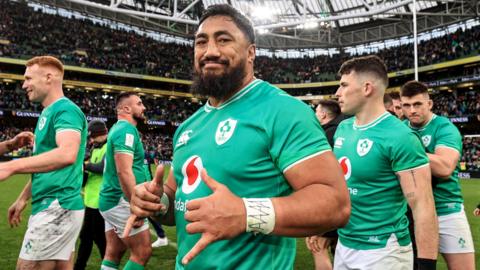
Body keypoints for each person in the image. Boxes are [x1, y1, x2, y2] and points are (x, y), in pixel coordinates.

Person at [127, 4, 350, 270]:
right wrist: (157, 202)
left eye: (224, 40)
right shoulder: (189, 126)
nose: (210, 51)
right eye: (201, 42)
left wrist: (247, 214)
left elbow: (335, 204)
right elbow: (176, 200)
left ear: (251, 52)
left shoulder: (284, 111)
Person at [333, 55, 438, 270]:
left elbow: (423, 206)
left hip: (383, 251)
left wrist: (427, 266)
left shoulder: (400, 136)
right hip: (344, 244)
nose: (337, 93)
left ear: (367, 88)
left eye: (344, 85)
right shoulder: (343, 129)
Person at [2, 55, 87, 269]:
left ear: (49, 77)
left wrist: (11, 166)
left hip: (57, 206)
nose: (24, 85)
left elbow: (67, 153)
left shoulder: (65, 110)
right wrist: (23, 199)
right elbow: (46, 167)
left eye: (29, 78)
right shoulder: (46, 114)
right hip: (56, 205)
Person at [400, 80, 475, 270]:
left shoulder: (444, 128)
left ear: (429, 104)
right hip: (409, 213)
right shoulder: (400, 128)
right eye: (406, 105)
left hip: (446, 208)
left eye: (417, 104)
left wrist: (402, 152)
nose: (412, 110)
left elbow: (444, 167)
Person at [99, 92, 151, 270]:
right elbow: (124, 171)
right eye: (139, 103)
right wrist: (134, 205)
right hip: (121, 200)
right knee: (142, 251)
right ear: (126, 108)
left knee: (114, 250)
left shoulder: (117, 129)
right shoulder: (125, 130)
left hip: (111, 199)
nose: (143, 107)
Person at [307, 99, 345, 270]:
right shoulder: (343, 129)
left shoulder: (329, 135)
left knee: (318, 247)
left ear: (323, 114)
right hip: (344, 204)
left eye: (316, 111)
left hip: (333, 204)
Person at [74, 120, 108, 270]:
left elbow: (102, 168)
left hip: (101, 201)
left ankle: (109, 265)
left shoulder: (109, 147)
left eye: (93, 137)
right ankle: (79, 266)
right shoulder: (95, 148)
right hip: (90, 201)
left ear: (101, 134)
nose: (91, 140)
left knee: (100, 239)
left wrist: (84, 165)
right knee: (86, 237)